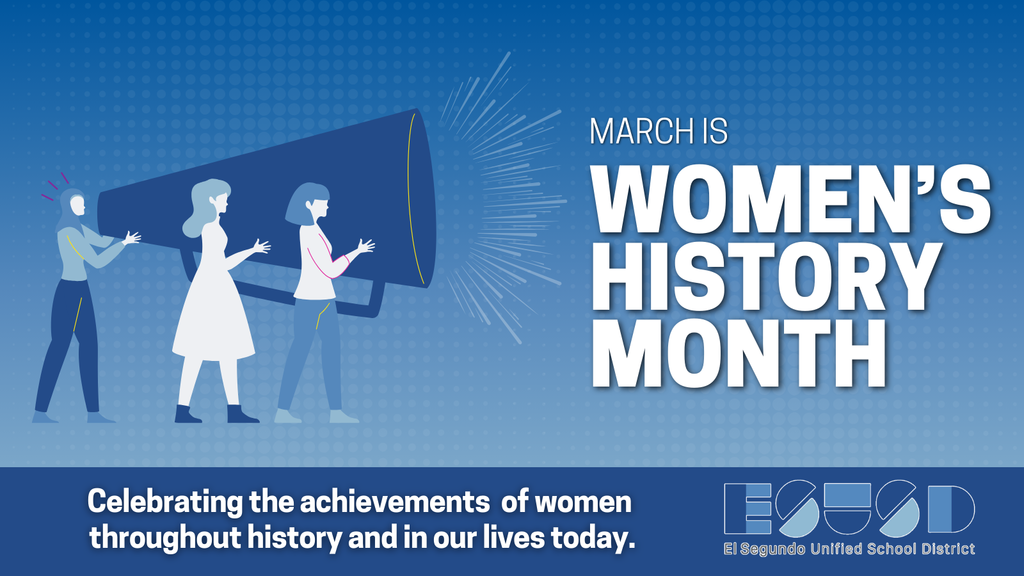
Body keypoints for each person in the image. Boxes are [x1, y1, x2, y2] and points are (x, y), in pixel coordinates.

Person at [34, 189, 140, 423]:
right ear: (68, 207)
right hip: (69, 294)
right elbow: (97, 261)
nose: (84, 208)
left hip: (82, 291)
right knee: (59, 350)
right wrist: (123, 243)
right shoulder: (69, 231)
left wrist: (117, 227)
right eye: (79, 205)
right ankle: (39, 412)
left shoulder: (79, 228)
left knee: (90, 348)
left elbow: (102, 241)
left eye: (83, 204)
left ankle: (93, 413)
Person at [172, 179, 269, 424]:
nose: (227, 200)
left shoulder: (213, 224)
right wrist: (250, 251)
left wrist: (250, 250)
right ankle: (226, 410)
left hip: (211, 286)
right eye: (224, 196)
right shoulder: (211, 228)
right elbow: (221, 264)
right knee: (216, 350)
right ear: (211, 200)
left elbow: (220, 262)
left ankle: (189, 410)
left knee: (207, 351)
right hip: (214, 288)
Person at [275, 182, 373, 424]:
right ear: (309, 204)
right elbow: (330, 270)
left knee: (331, 354)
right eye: (323, 201)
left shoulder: (315, 227)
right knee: (300, 354)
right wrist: (355, 252)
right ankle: (282, 411)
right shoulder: (308, 232)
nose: (328, 205)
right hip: (310, 301)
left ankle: (336, 412)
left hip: (325, 299)